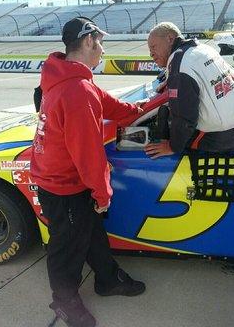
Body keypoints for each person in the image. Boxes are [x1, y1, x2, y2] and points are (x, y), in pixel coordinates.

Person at [30, 17, 145, 327]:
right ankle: (64, 301)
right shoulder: (77, 90)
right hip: (62, 185)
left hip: (59, 176)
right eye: (100, 43)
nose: (102, 49)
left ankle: (107, 279)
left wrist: (142, 109)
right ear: (89, 42)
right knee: (66, 247)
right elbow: (89, 155)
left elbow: (109, 105)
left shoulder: (70, 78)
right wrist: (102, 193)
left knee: (91, 233)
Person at [145, 22, 234, 159]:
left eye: (153, 47)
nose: (151, 54)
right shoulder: (201, 48)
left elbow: (185, 118)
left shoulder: (180, 66)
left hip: (226, 137)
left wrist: (173, 146)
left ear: (170, 38)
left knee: (171, 118)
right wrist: (171, 79)